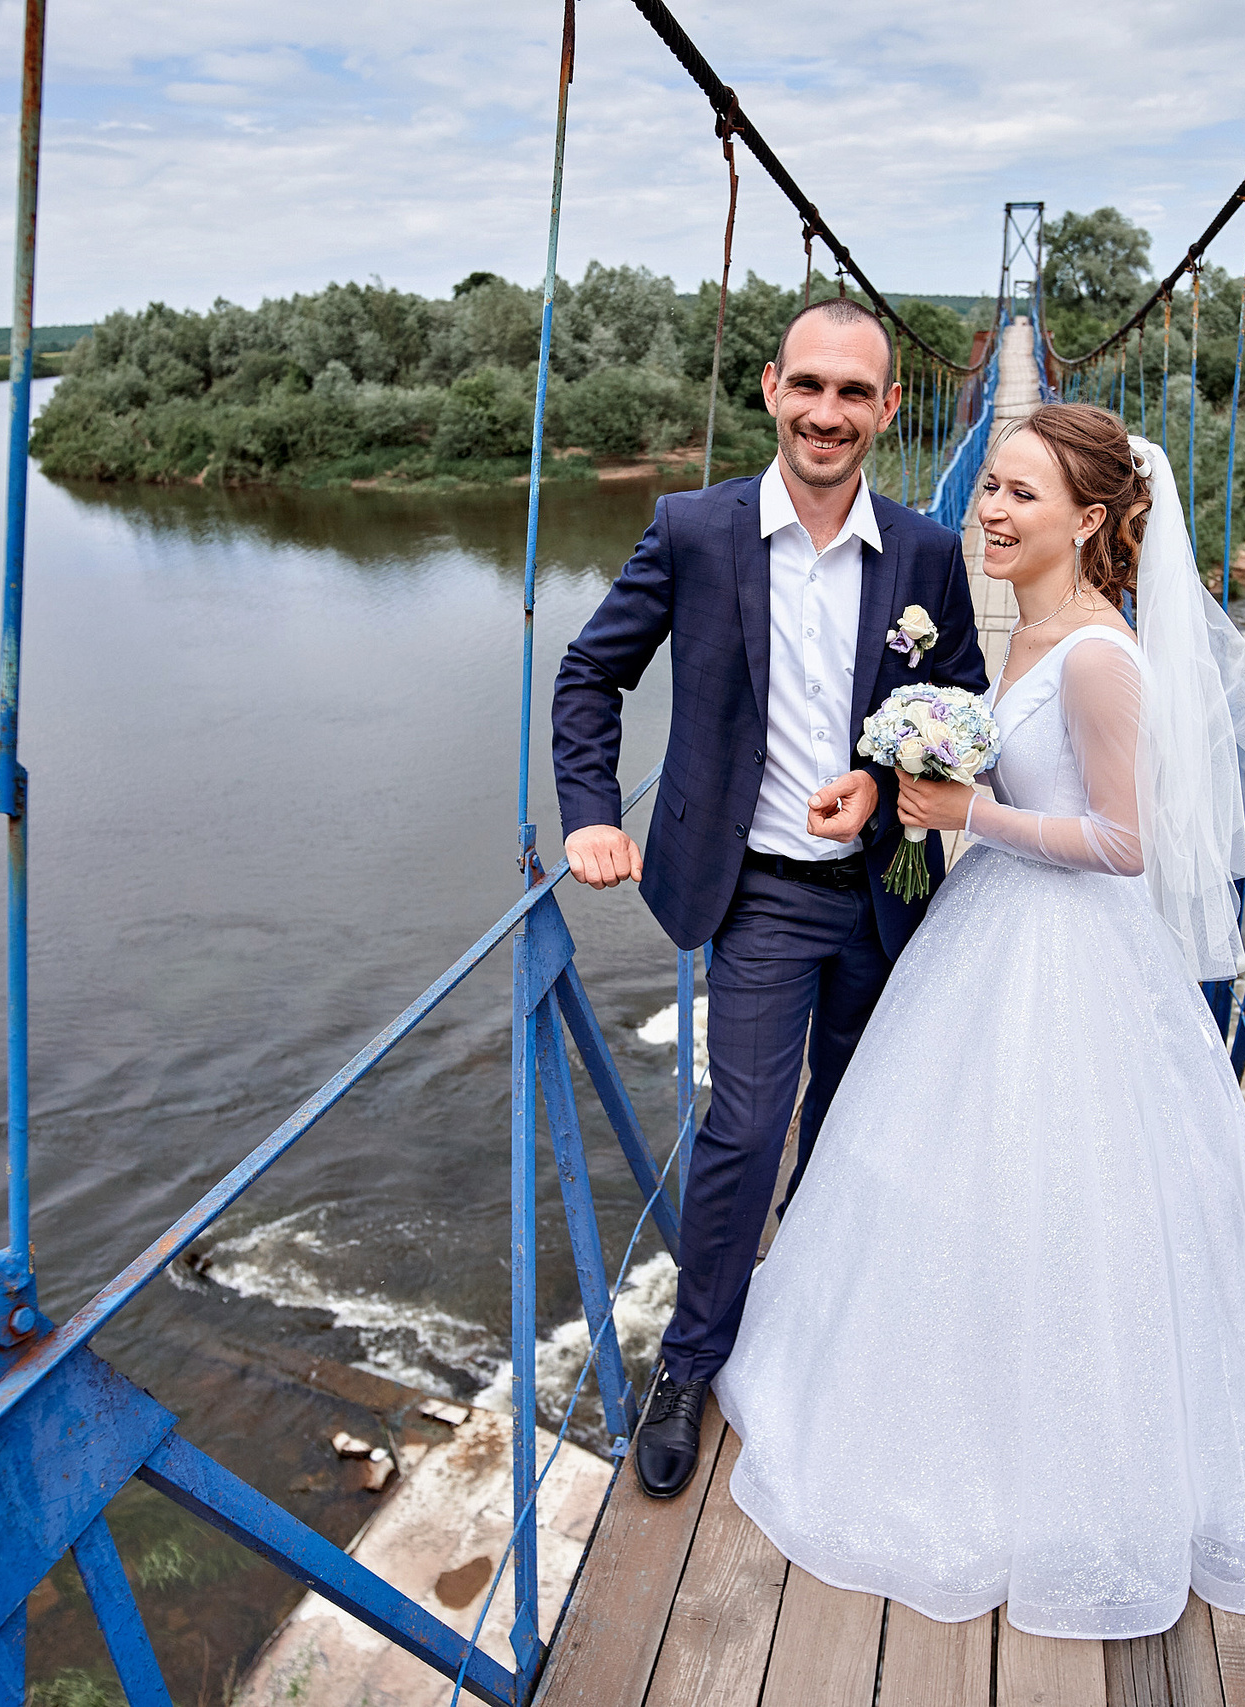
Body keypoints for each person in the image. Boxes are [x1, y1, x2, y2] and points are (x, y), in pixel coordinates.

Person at [712, 402, 1245, 1637]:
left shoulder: (1101, 655)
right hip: (993, 929)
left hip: (1065, 948)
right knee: (949, 1173)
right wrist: (907, 788)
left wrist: (968, 818)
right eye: (988, 488)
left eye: (1018, 494)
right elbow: (1008, 775)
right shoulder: (1026, 632)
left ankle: (1061, 1454)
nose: (988, 512)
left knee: (1065, 1192)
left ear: (1092, 520)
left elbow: (1120, 845)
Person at [549, 297, 990, 1500]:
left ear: (890, 408)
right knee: (745, 1126)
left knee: (854, 1122)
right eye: (810, 387)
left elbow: (962, 702)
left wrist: (895, 777)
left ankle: (816, 1315)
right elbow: (592, 673)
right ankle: (689, 1364)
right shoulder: (691, 531)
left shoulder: (928, 552)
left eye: (856, 393)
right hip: (757, 893)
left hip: (890, 888)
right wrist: (591, 811)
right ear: (769, 389)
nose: (828, 413)